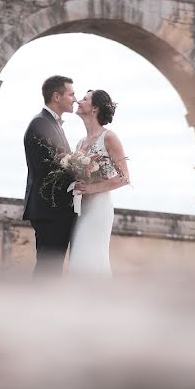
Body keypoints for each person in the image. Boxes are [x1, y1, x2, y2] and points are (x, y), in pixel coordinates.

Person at [67, 90, 131, 275]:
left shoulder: (109, 137)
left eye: (84, 99)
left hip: (98, 209)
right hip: (81, 208)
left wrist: (92, 188)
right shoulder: (80, 143)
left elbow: (125, 177)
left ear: (95, 108)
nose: (78, 101)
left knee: (90, 259)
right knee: (78, 260)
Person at [22, 75, 78, 275]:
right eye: (71, 94)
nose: (75, 99)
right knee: (49, 268)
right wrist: (82, 176)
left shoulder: (49, 123)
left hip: (53, 209)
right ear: (56, 96)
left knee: (50, 268)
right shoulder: (41, 123)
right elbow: (48, 170)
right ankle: (39, 305)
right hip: (51, 209)